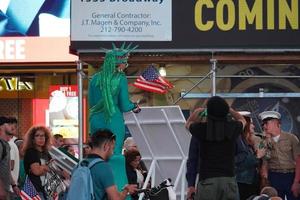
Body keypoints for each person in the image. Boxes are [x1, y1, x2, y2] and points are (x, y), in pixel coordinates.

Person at [88, 43, 140, 191]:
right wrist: (134, 106)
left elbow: (92, 102)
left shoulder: (94, 79)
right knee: (115, 154)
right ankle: (116, 190)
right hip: (113, 119)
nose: (125, 65)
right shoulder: (120, 78)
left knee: (97, 154)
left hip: (95, 120)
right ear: (119, 63)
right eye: (125, 62)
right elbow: (124, 105)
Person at [185, 96, 246, 200]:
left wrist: (198, 111)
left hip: (207, 181)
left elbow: (188, 124)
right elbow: (242, 120)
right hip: (228, 180)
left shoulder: (201, 129)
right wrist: (230, 110)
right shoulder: (232, 128)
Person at [259, 110, 300, 200]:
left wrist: (296, 181)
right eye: (263, 124)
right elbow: (262, 157)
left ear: (276, 123)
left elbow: (298, 160)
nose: (264, 126)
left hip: (290, 175)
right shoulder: (263, 140)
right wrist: (266, 140)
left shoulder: (291, 138)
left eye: (266, 123)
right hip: (274, 176)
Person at [86, 129, 137, 200]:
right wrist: (126, 190)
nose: (112, 153)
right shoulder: (103, 167)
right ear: (106, 146)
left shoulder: (80, 164)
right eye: (112, 148)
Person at [235, 111, 265, 200]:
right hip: (242, 182)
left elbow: (261, 147)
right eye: (251, 123)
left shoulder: (250, 140)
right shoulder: (237, 140)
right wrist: (256, 157)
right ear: (246, 124)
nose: (254, 126)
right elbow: (237, 163)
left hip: (252, 181)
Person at [23, 125, 52, 199]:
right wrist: (47, 167)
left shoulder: (46, 153)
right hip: (35, 191)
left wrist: (43, 167)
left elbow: (52, 170)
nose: (41, 138)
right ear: (32, 139)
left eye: (43, 136)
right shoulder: (31, 152)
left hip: (46, 190)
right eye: (37, 135)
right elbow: (37, 171)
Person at [0, 116, 20, 199]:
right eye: (8, 124)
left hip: (7, 189)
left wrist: (14, 185)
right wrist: (1, 190)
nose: (12, 126)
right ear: (2, 126)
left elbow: (7, 168)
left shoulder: (6, 145)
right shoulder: (0, 144)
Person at [7, 117, 20, 197]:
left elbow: (9, 167)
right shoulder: (9, 144)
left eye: (15, 127)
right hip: (9, 186)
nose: (14, 129)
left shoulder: (10, 143)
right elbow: (9, 167)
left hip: (9, 186)